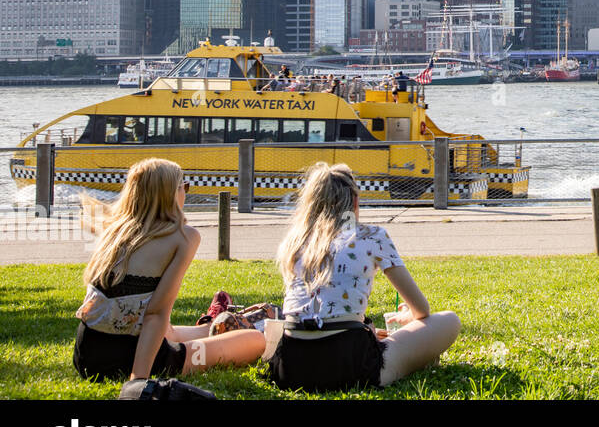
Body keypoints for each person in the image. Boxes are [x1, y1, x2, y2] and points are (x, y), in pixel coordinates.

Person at [268, 163, 460, 391]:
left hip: (290, 367)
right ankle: (418, 357)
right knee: (449, 320)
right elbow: (421, 310)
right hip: (350, 364)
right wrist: (411, 318)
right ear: (355, 202)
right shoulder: (372, 236)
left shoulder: (295, 242)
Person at [73, 158, 265, 382]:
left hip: (87, 357)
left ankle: (214, 325)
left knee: (169, 331)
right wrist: (138, 379)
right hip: (139, 359)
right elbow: (156, 314)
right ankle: (224, 326)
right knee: (254, 340)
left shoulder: (115, 231)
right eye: (183, 186)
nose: (185, 192)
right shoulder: (184, 237)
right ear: (170, 194)